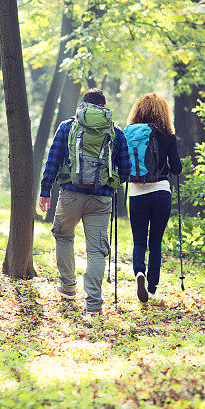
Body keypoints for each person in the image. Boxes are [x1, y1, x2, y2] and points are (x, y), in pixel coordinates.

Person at [39, 88, 130, 317]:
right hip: (101, 198)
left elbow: (53, 159)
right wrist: (111, 183)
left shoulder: (67, 126)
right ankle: (93, 304)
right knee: (97, 251)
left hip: (70, 193)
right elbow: (126, 169)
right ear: (104, 106)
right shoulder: (116, 132)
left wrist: (45, 190)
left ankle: (68, 287)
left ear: (84, 105)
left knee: (63, 236)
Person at [124, 93, 182, 303]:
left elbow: (123, 165)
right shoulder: (168, 134)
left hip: (137, 192)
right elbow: (176, 168)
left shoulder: (129, 133)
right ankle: (152, 288)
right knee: (155, 242)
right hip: (161, 192)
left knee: (139, 241)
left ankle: (139, 271)